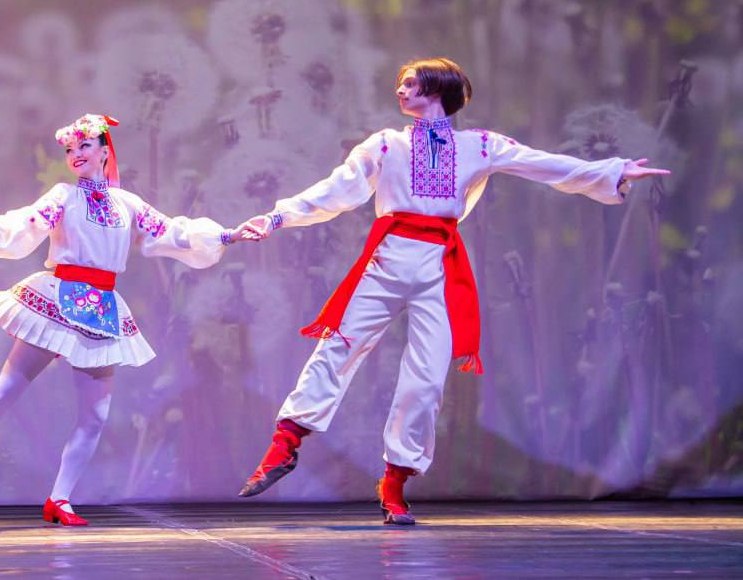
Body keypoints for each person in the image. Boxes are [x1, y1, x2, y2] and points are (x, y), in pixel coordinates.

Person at [234, 57, 670, 525]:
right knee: (336, 347)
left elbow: (543, 164)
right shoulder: (385, 144)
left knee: (425, 379)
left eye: (409, 83)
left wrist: (612, 171)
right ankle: (284, 445)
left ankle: (394, 482)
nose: (400, 91)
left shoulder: (479, 145)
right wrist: (277, 217)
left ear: (436, 88)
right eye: (400, 84)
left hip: (439, 265)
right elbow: (335, 189)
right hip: (388, 257)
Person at [0, 114, 255, 525]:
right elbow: (26, 223)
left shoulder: (128, 205)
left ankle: (60, 498)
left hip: (102, 310)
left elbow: (172, 232)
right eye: (70, 149)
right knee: (4, 391)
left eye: (84, 146)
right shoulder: (63, 196)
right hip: (57, 300)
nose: (75, 154)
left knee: (94, 417)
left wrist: (226, 235)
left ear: (105, 151)